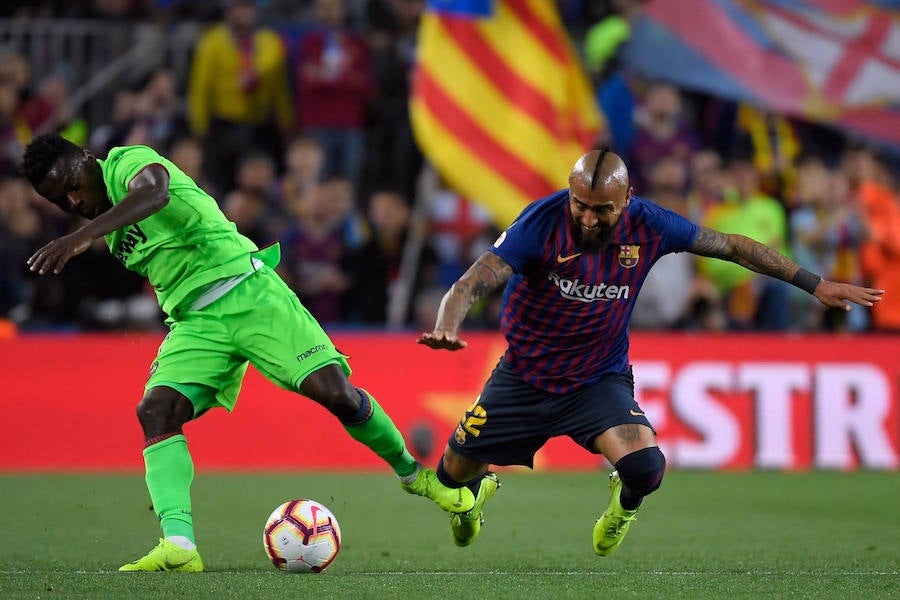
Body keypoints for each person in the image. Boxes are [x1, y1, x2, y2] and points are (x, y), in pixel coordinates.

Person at [20, 133, 475, 572]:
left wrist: (81, 237)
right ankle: (179, 545)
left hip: (250, 292)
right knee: (156, 411)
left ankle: (416, 477)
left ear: (85, 158)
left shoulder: (126, 163)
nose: (74, 203)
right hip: (196, 323)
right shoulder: (110, 224)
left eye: (73, 186)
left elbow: (156, 193)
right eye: (60, 201)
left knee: (336, 394)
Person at [416, 147, 883, 555]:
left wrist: (814, 283)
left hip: (596, 379)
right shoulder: (540, 222)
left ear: (628, 199)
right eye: (580, 205)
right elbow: (474, 280)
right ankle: (473, 500)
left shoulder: (651, 225)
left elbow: (733, 248)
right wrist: (447, 324)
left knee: (646, 468)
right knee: (451, 477)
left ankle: (622, 508)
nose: (588, 218)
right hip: (523, 377)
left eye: (603, 210)